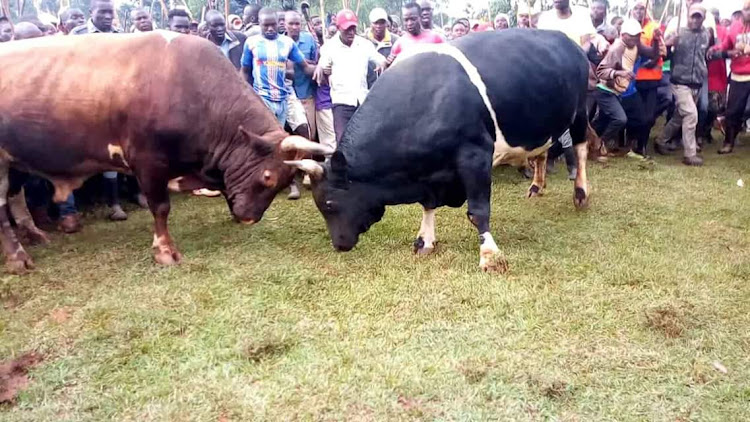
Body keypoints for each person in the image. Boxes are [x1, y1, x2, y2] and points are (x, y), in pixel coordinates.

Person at [71, 0, 132, 222]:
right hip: (87, 100)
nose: (108, 16)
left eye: (110, 12)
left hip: (117, 99)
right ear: (91, 12)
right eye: (102, 12)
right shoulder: (77, 35)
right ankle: (75, 208)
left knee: (120, 148)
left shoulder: (120, 34)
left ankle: (121, 201)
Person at [538, 0, 597, 172]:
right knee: (553, 116)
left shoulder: (582, 15)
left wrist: (573, 56)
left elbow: (587, 43)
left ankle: (569, 159)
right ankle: (559, 157)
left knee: (576, 115)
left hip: (576, 70)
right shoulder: (545, 18)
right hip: (551, 72)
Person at [314, 9, 385, 143]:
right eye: (347, 29)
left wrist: (382, 63)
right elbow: (323, 64)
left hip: (362, 101)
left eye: (353, 28)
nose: (351, 32)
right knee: (343, 142)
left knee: (365, 141)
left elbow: (379, 59)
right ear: (339, 28)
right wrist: (320, 68)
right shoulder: (330, 47)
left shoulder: (364, 44)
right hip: (342, 103)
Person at [654, 5, 712, 166]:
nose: (695, 19)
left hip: (697, 82)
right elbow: (662, 54)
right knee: (691, 114)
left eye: (698, 17)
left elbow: (707, 52)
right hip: (679, 82)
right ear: (688, 16)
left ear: (703, 18)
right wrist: (669, 44)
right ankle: (690, 154)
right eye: (692, 16)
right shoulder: (678, 33)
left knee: (679, 116)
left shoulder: (706, 34)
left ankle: (660, 140)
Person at [594, 19, 660, 158]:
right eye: (632, 35)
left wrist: (655, 40)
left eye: (637, 35)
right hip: (607, 91)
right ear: (623, 35)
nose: (635, 38)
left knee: (640, 119)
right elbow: (601, 71)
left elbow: (653, 54)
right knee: (616, 120)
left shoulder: (636, 44)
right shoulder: (617, 48)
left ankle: (628, 146)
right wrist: (619, 73)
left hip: (623, 91)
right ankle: (598, 144)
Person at [241, 8, 315, 128]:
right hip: (262, 97)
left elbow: (305, 67)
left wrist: (322, 68)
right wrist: (244, 96)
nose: (270, 28)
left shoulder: (287, 43)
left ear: (278, 23)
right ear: (259, 23)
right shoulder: (251, 43)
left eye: (273, 25)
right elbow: (245, 71)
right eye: (266, 25)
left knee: (303, 129)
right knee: (270, 135)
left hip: (284, 97)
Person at [714, 0, 750, 154]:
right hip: (738, 75)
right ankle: (728, 142)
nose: (748, 12)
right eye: (746, 9)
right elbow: (725, 45)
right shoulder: (734, 27)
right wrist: (716, 49)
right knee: (733, 111)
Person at [631, 1, 666, 155]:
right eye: (636, 8)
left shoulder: (654, 27)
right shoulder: (628, 27)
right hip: (632, 80)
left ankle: (642, 145)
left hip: (651, 78)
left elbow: (662, 51)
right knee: (636, 114)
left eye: (642, 8)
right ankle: (632, 142)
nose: (639, 11)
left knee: (649, 116)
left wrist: (655, 53)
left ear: (648, 10)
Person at [386, 2, 444, 67]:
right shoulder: (398, 45)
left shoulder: (436, 38)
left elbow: (445, 64)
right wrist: (389, 64)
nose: (409, 23)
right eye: (406, 20)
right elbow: (394, 72)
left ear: (420, 17)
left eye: (413, 19)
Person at [366, 7, 399, 87]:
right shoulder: (363, 42)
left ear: (387, 23)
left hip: (391, 88)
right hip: (368, 91)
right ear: (370, 23)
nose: (378, 26)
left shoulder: (396, 41)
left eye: (382, 22)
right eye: (376, 23)